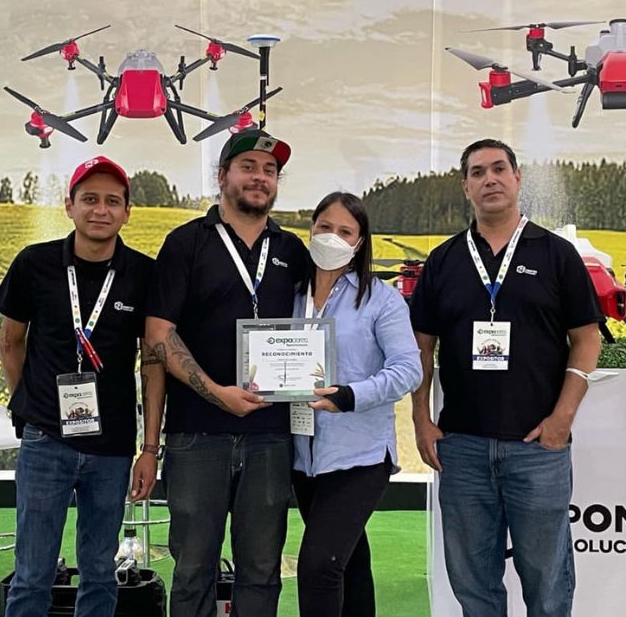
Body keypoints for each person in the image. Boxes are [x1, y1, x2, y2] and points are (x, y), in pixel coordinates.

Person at [410, 139, 602, 617]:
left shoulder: (557, 254)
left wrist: (562, 418)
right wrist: (420, 419)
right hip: (462, 447)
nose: (489, 179)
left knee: (547, 581)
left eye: (499, 169)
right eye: (478, 173)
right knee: (472, 582)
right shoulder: (444, 260)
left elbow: (587, 338)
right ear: (465, 188)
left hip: (537, 448)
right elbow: (421, 347)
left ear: (517, 178)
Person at [145, 129, 310, 617]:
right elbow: (157, 336)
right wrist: (219, 394)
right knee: (193, 567)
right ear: (222, 176)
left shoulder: (292, 250)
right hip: (197, 435)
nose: (260, 178)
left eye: (270, 170)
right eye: (248, 167)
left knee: (261, 568)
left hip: (270, 436)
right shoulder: (186, 243)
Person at [0, 156, 163, 617]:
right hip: (46, 440)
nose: (100, 210)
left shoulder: (143, 274)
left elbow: (152, 362)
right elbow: (10, 342)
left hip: (112, 448)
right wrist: (29, 406)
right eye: (89, 199)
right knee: (32, 574)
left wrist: (149, 448)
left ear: (127, 212)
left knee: (100, 572)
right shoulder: (34, 263)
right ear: (69, 206)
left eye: (112, 201)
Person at [291, 192, 422, 617]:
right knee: (348, 563)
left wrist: (350, 396)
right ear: (311, 229)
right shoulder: (290, 295)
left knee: (319, 567)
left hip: (359, 455)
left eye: (345, 231)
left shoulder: (381, 299)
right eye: (324, 227)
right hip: (302, 456)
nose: (332, 237)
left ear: (360, 241)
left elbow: (408, 370)